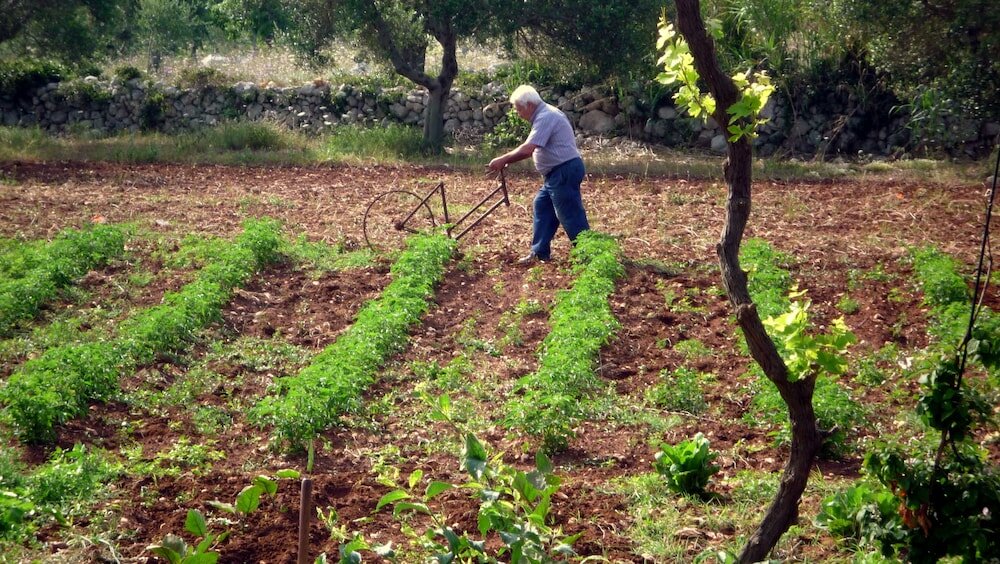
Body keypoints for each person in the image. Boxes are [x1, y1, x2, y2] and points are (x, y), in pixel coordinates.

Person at [488, 84, 590, 265]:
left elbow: (528, 149)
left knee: (569, 214)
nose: (518, 113)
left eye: (519, 109)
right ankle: (539, 252)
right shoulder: (544, 115)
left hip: (564, 170)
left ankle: (589, 254)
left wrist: (503, 159)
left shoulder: (546, 116)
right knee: (542, 205)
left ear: (529, 105)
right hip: (556, 172)